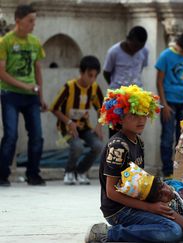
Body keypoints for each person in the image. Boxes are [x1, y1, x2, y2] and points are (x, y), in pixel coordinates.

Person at [86, 85, 183, 243]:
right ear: (120, 117)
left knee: (172, 185)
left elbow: (137, 184)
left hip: (134, 203)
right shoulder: (118, 146)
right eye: (134, 115)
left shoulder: (138, 142)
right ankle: (107, 234)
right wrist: (150, 208)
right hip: (118, 211)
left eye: (144, 114)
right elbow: (111, 192)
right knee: (173, 231)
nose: (141, 120)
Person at [0, 4, 47, 186]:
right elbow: (2, 72)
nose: (33, 24)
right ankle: (2, 175)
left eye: (34, 20)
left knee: (37, 135)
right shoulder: (5, 42)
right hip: (10, 94)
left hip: (31, 96)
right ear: (18, 21)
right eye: (30, 21)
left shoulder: (35, 42)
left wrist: (40, 96)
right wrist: (25, 85)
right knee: (11, 135)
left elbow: (38, 70)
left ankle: (33, 174)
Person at [50, 55, 104, 185]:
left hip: (84, 127)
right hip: (66, 127)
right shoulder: (69, 87)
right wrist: (69, 122)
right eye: (89, 75)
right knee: (77, 146)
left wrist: (99, 125)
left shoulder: (95, 88)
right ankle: (69, 172)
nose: (92, 79)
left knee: (98, 145)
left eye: (94, 76)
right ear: (81, 72)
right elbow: (54, 108)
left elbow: (102, 109)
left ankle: (80, 172)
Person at [156, 32, 183, 178]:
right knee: (167, 137)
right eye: (182, 51)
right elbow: (159, 82)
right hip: (169, 102)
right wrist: (164, 104)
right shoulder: (165, 56)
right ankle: (167, 170)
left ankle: (182, 170)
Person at [102, 26, 149, 137]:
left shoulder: (144, 51)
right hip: (117, 98)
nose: (137, 49)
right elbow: (106, 73)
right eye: (135, 46)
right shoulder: (113, 52)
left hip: (136, 98)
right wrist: (117, 88)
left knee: (135, 131)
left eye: (140, 47)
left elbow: (140, 68)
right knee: (116, 131)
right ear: (129, 40)